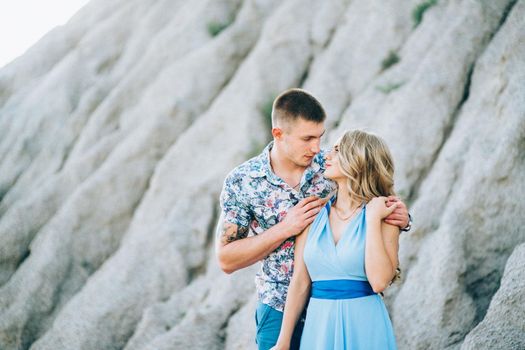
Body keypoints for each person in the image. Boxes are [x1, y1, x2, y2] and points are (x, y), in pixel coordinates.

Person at [216, 89, 411, 350]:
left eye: (320, 137)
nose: (317, 148)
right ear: (279, 134)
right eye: (307, 138)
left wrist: (401, 215)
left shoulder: (330, 165)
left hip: (344, 302)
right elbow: (226, 259)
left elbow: (370, 183)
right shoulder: (242, 182)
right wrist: (286, 228)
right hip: (279, 304)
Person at [272, 129, 401, 350]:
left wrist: (370, 220)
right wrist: (283, 342)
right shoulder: (312, 213)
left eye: (338, 150)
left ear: (358, 160)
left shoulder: (383, 215)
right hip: (319, 325)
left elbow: (379, 282)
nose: (326, 156)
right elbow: (300, 282)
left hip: (365, 325)